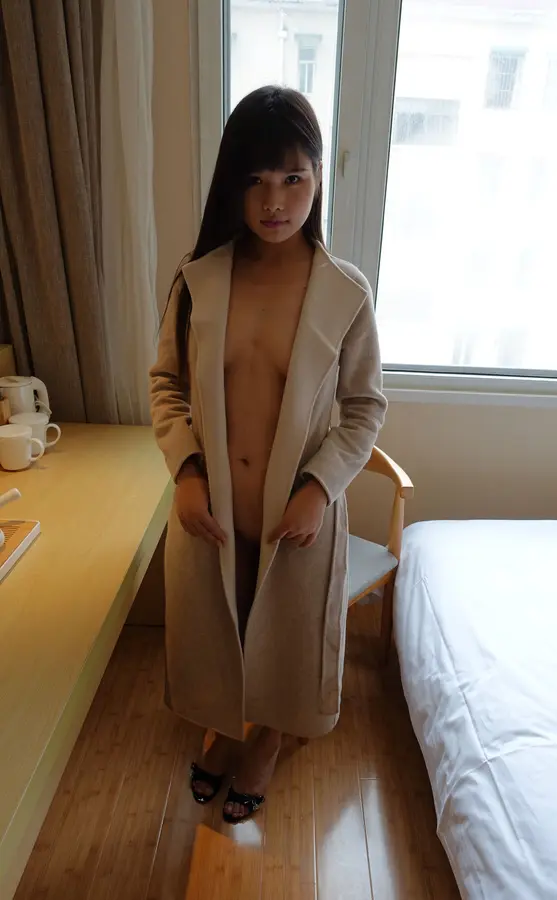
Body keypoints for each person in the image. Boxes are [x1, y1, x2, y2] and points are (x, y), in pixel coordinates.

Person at [149, 85, 387, 824]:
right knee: (219, 636)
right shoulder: (199, 278)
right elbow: (166, 386)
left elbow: (364, 408)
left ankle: (270, 741)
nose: (275, 201)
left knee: (286, 643)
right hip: (215, 511)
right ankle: (224, 729)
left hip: (296, 518)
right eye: (254, 179)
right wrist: (187, 473)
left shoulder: (344, 292)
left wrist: (319, 489)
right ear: (232, 184)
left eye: (292, 178)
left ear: (318, 178)